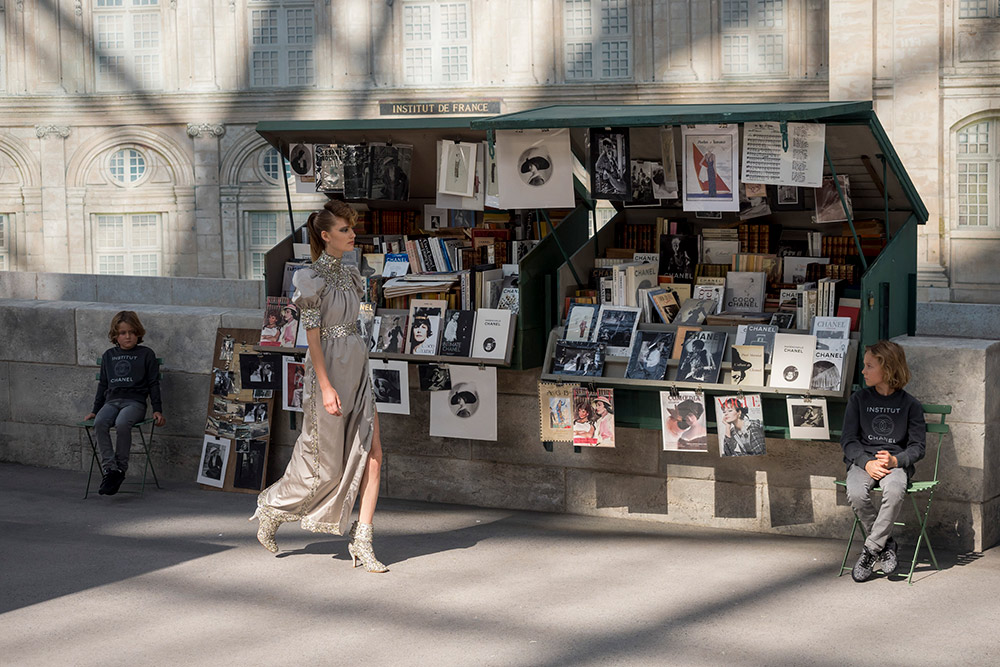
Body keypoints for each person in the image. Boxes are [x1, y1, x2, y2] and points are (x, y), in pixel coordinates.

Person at [251, 201, 389, 573]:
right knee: (325, 466)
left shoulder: (352, 274)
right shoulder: (311, 278)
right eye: (345, 229)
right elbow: (312, 339)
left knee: (373, 454)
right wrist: (326, 388)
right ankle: (273, 507)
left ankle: (363, 540)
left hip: (358, 367)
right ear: (326, 235)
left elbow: (359, 322)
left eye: (352, 228)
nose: (352, 234)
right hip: (329, 371)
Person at [841, 340, 925, 583]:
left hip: (894, 465)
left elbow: (918, 447)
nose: (863, 371)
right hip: (862, 462)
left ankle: (870, 551)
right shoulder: (858, 400)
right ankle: (886, 545)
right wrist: (867, 463)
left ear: (887, 369)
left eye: (869, 366)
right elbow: (848, 440)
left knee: (896, 489)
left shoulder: (910, 405)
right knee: (856, 492)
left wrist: (895, 460)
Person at [83, 311, 166, 496]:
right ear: (115, 336)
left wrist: (158, 410)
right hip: (111, 402)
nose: (127, 336)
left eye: (131, 332)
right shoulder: (109, 356)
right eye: (122, 333)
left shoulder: (146, 354)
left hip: (134, 403)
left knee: (122, 423)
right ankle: (110, 470)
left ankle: (120, 469)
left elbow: (153, 384)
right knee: (100, 423)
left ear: (138, 333)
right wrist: (95, 411)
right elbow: (103, 385)